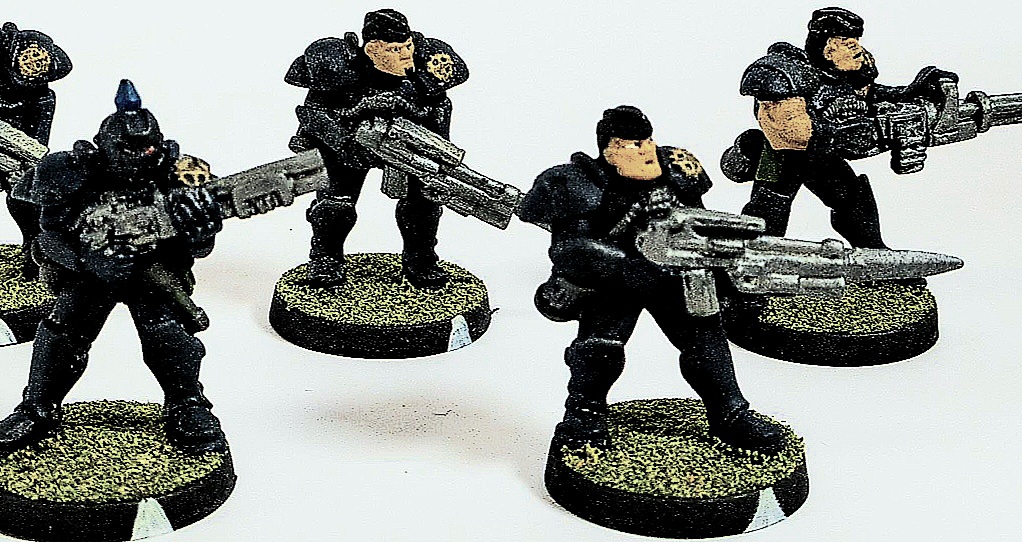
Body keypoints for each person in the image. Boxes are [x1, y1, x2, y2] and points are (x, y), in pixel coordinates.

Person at [520, 106, 784, 454]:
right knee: (599, 348)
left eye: (647, 140)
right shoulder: (575, 182)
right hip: (613, 283)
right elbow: (571, 248)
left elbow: (698, 222)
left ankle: (730, 414)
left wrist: (721, 267)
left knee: (705, 341)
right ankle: (583, 415)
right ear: (608, 148)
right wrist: (623, 264)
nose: (645, 150)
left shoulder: (676, 167)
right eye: (631, 144)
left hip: (673, 276)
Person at [0, 80, 227, 455]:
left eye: (147, 148)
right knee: (60, 333)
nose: (139, 156)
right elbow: (50, 235)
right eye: (129, 149)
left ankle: (187, 404)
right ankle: (37, 408)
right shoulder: (73, 173)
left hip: (153, 272)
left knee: (168, 334)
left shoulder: (179, 178)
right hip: (90, 273)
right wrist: (87, 260)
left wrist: (200, 230)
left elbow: (199, 246)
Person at [721, 7, 956, 248]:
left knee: (852, 197)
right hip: (779, 156)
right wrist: (851, 133)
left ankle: (872, 252)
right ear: (827, 47)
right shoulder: (786, 73)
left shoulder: (845, 74)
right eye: (846, 42)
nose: (856, 49)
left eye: (856, 41)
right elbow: (788, 132)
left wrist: (911, 92)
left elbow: (871, 97)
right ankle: (754, 249)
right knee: (771, 202)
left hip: (820, 157)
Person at [286, 8, 469, 288]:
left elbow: (440, 106)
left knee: (423, 201)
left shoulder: (425, 63)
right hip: (348, 144)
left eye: (407, 46)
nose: (405, 55)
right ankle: (326, 258)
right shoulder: (337, 66)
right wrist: (344, 142)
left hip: (410, 145)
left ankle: (421, 258)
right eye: (395, 49)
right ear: (372, 49)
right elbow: (313, 113)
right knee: (335, 203)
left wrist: (435, 147)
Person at [1, 21, 71, 277]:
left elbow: (37, 144)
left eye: (39, 62)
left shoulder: (43, 98)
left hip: (14, 157)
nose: (31, 63)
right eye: (29, 56)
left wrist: (24, 166)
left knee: (26, 200)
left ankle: (34, 255)